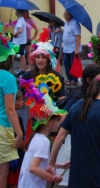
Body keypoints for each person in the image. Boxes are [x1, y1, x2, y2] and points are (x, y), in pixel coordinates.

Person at [55, 64, 100, 187]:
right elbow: (64, 116)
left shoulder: (95, 94)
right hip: (72, 141)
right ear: (89, 80)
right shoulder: (78, 96)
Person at [18, 79, 68, 188]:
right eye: (58, 121)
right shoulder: (44, 141)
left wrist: (61, 165)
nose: (59, 125)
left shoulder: (35, 136)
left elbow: (39, 163)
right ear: (49, 121)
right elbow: (33, 168)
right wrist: (54, 178)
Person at [0, 26, 23, 188]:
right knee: (2, 173)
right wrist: (20, 133)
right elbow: (10, 109)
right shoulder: (7, 78)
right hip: (2, 128)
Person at [6, 91, 25, 188]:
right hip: (15, 156)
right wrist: (26, 150)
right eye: (20, 100)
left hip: (5, 155)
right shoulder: (18, 119)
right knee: (14, 182)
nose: (22, 102)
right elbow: (20, 141)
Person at [62, 11, 81, 85]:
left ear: (69, 15)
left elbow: (78, 36)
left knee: (73, 64)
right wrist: (61, 30)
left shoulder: (75, 23)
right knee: (66, 62)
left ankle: (74, 80)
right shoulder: (66, 23)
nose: (63, 15)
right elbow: (68, 31)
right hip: (66, 47)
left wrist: (77, 49)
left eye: (64, 14)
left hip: (73, 48)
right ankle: (69, 79)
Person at [11, 9, 27, 77]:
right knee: (21, 56)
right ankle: (22, 70)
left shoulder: (20, 20)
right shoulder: (21, 20)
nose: (15, 12)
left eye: (16, 11)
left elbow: (20, 30)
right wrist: (11, 24)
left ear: (18, 12)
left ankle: (23, 71)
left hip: (19, 42)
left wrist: (14, 34)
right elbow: (18, 29)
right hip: (20, 42)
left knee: (21, 57)